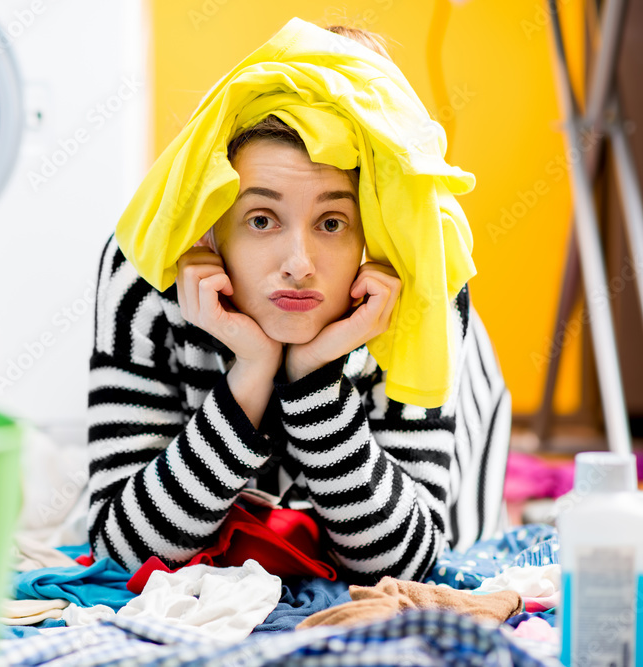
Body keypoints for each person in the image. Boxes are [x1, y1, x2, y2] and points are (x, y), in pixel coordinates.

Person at [85, 24, 511, 584]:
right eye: (261, 219)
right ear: (214, 223)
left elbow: (405, 565)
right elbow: (119, 548)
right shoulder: (144, 267)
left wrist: (313, 382)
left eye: (333, 222)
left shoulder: (423, 280)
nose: (299, 263)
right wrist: (250, 377)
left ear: (377, 233)